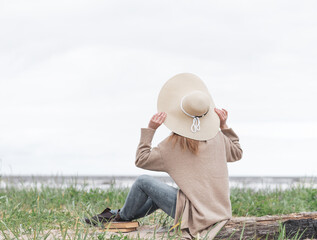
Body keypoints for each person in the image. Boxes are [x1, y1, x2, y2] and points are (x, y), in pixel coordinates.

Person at [84, 73, 243, 239]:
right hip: (219, 212)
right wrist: (224, 126)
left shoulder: (173, 145)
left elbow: (141, 159)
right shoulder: (218, 138)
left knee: (143, 182)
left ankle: (121, 218)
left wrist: (151, 129)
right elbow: (237, 153)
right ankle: (118, 215)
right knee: (155, 194)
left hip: (195, 216)